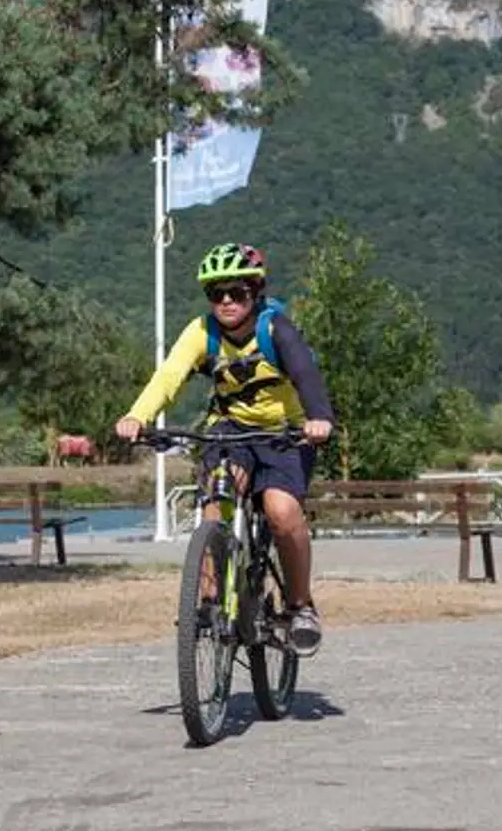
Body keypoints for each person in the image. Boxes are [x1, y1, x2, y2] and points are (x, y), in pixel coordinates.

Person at [113, 242, 336, 655]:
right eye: (217, 294)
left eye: (237, 292)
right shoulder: (202, 332)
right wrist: (137, 416)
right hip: (230, 430)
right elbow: (169, 377)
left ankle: (300, 606)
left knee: (281, 511)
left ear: (255, 291)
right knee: (217, 497)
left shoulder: (276, 330)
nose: (227, 301)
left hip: (284, 433)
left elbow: (306, 375)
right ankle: (211, 599)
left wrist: (319, 418)